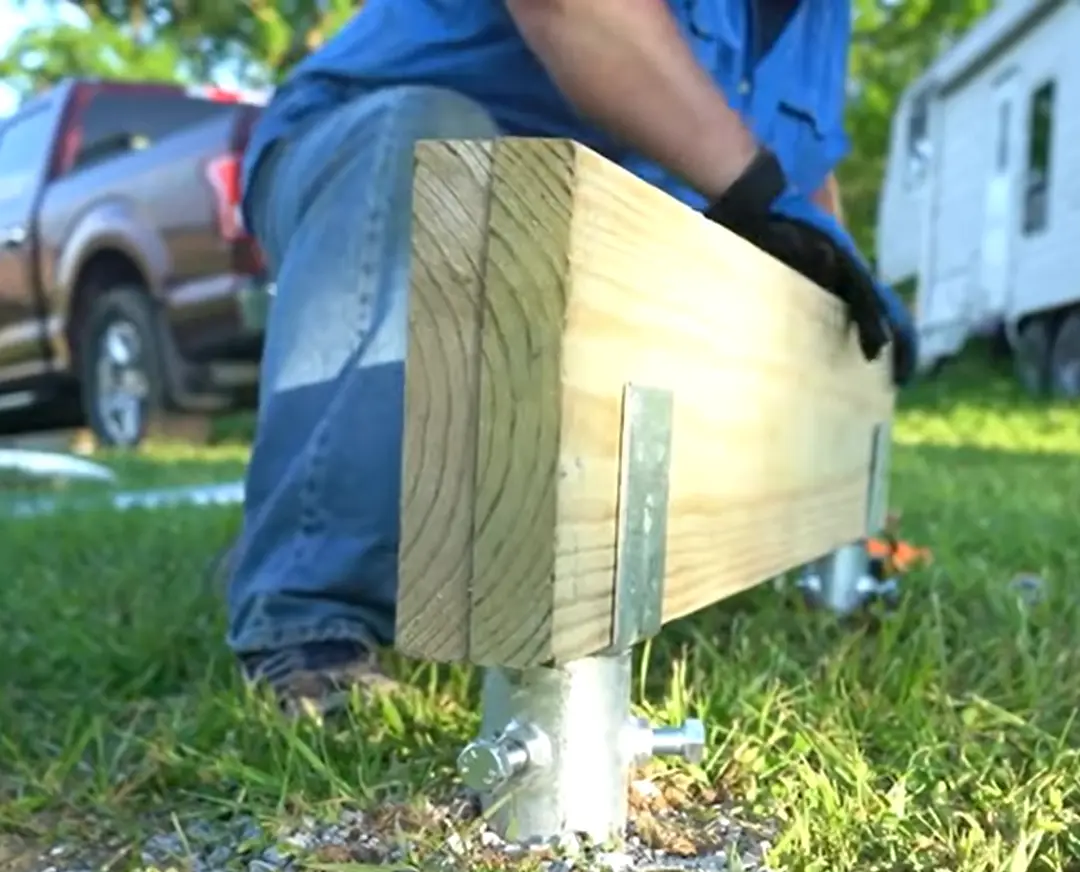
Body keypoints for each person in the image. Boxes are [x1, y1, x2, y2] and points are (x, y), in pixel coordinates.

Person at [226, 0, 917, 717]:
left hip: (581, 223)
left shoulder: (821, 17)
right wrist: (759, 198)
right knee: (432, 142)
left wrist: (847, 299)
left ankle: (457, 543)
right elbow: (573, 11)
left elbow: (799, 177)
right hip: (368, 148)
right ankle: (307, 613)